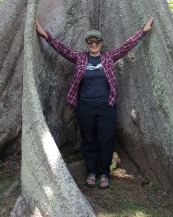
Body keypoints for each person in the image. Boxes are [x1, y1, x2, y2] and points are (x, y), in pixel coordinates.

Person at [35, 18, 153, 189]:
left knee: (106, 139)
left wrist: (143, 31)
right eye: (90, 41)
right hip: (85, 107)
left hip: (107, 106)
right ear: (87, 43)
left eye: (97, 41)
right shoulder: (80, 58)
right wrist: (45, 35)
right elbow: (61, 49)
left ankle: (104, 172)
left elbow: (126, 46)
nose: (94, 44)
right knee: (88, 139)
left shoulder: (109, 57)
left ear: (101, 43)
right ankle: (91, 171)